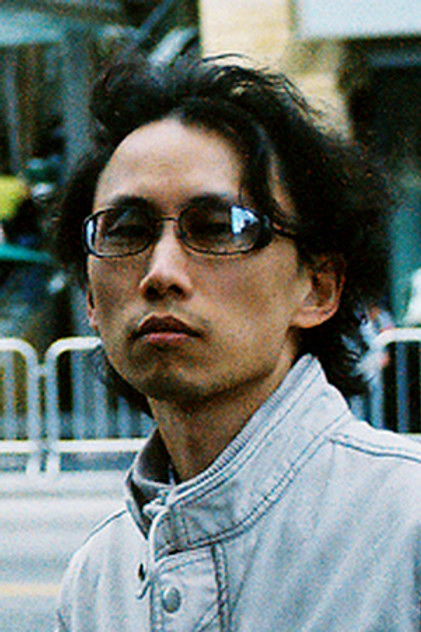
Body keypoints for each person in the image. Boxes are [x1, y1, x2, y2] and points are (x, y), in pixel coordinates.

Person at [51, 51, 421, 631]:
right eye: (126, 231)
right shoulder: (99, 580)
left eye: (219, 228)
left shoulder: (405, 527)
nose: (161, 272)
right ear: (91, 301)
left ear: (318, 287)